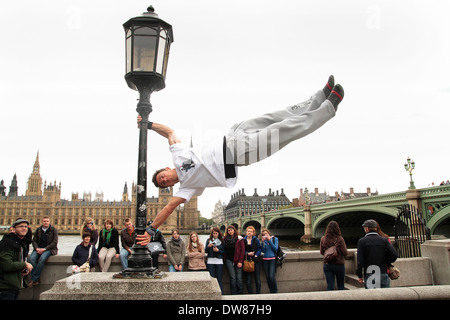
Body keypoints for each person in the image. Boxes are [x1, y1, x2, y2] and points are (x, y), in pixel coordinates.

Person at [136, 76, 344, 245]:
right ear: (170, 186)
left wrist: (149, 123)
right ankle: (328, 109)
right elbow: (168, 208)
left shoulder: (177, 153)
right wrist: (150, 229)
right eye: (164, 183)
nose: (164, 181)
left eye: (162, 177)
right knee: (283, 131)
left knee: (277, 116)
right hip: (238, 154)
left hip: (233, 134)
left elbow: (170, 131)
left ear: (165, 169)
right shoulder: (187, 188)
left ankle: (318, 98)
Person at [356, 219, 398, 289]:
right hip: (383, 271)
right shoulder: (384, 240)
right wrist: (386, 262)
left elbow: (360, 261)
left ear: (367, 229)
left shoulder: (362, 241)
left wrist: (359, 275)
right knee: (386, 295)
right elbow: (394, 255)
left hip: (370, 272)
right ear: (375, 228)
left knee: (372, 296)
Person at [0, 219, 34, 300]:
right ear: (14, 229)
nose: (24, 228)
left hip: (14, 284)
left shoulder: (19, 243)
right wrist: (24, 264)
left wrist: (22, 269)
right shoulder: (7, 243)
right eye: (21, 226)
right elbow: (6, 265)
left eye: (26, 227)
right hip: (5, 286)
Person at [29, 216, 58, 287]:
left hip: (49, 249)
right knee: (31, 259)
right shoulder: (38, 230)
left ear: (49, 222)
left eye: (47, 221)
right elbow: (34, 241)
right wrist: (36, 248)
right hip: (38, 249)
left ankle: (34, 279)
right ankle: (36, 278)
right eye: (44, 221)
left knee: (42, 259)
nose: (46, 222)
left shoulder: (53, 230)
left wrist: (44, 249)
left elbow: (54, 242)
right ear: (42, 222)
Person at [319, 221, 348, 290]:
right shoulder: (340, 239)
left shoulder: (323, 239)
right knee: (341, 286)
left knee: (330, 286)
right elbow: (345, 253)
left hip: (328, 264)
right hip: (339, 265)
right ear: (337, 228)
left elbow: (321, 252)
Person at [223, 225, 244, 294]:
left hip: (238, 260)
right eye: (228, 230)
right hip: (229, 260)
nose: (230, 231)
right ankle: (233, 293)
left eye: (231, 230)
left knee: (239, 278)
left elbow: (242, 251)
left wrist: (240, 261)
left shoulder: (239, 239)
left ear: (234, 230)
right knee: (233, 278)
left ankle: (240, 292)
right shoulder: (225, 239)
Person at [205, 227, 225, 294]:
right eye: (214, 233)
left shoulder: (222, 241)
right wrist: (208, 247)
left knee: (219, 279)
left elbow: (224, 252)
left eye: (216, 233)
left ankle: (221, 293)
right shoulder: (208, 240)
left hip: (219, 261)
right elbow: (205, 250)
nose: (215, 235)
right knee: (212, 279)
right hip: (210, 261)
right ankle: (212, 293)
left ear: (219, 234)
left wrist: (218, 250)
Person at [243, 226, 262, 294]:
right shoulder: (243, 240)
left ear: (253, 233)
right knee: (248, 280)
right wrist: (247, 253)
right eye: (248, 231)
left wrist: (256, 254)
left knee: (257, 279)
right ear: (246, 232)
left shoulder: (256, 239)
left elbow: (259, 249)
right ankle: (250, 294)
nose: (249, 233)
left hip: (256, 261)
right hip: (247, 262)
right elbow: (242, 250)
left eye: (251, 231)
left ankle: (258, 294)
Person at [260, 228, 279, 293]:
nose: (265, 235)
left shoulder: (274, 239)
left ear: (269, 233)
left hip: (272, 259)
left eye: (266, 234)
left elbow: (275, 249)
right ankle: (271, 291)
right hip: (265, 260)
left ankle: (275, 291)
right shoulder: (264, 241)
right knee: (268, 277)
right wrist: (262, 243)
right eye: (263, 234)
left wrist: (269, 241)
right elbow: (263, 251)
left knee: (271, 276)